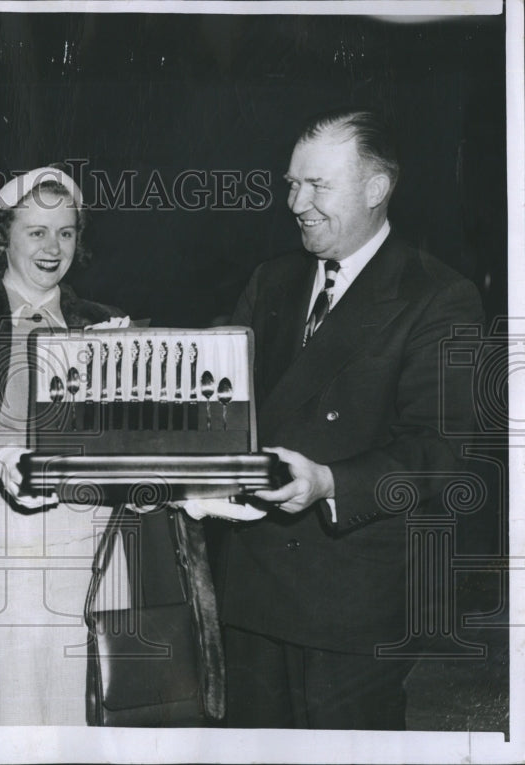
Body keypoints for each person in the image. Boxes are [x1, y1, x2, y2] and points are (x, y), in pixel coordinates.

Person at [0, 167, 226, 725]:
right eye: (36, 232)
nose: (54, 248)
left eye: (67, 232)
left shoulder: (107, 325)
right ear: (1, 236)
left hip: (90, 541)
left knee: (85, 699)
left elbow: (140, 440)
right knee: (7, 706)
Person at [204, 108, 484, 729]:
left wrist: (329, 481)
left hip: (352, 606)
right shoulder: (269, 282)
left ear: (376, 190)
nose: (295, 203)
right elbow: (223, 413)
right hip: (249, 594)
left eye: (317, 186)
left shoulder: (439, 296)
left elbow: (439, 455)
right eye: (291, 184)